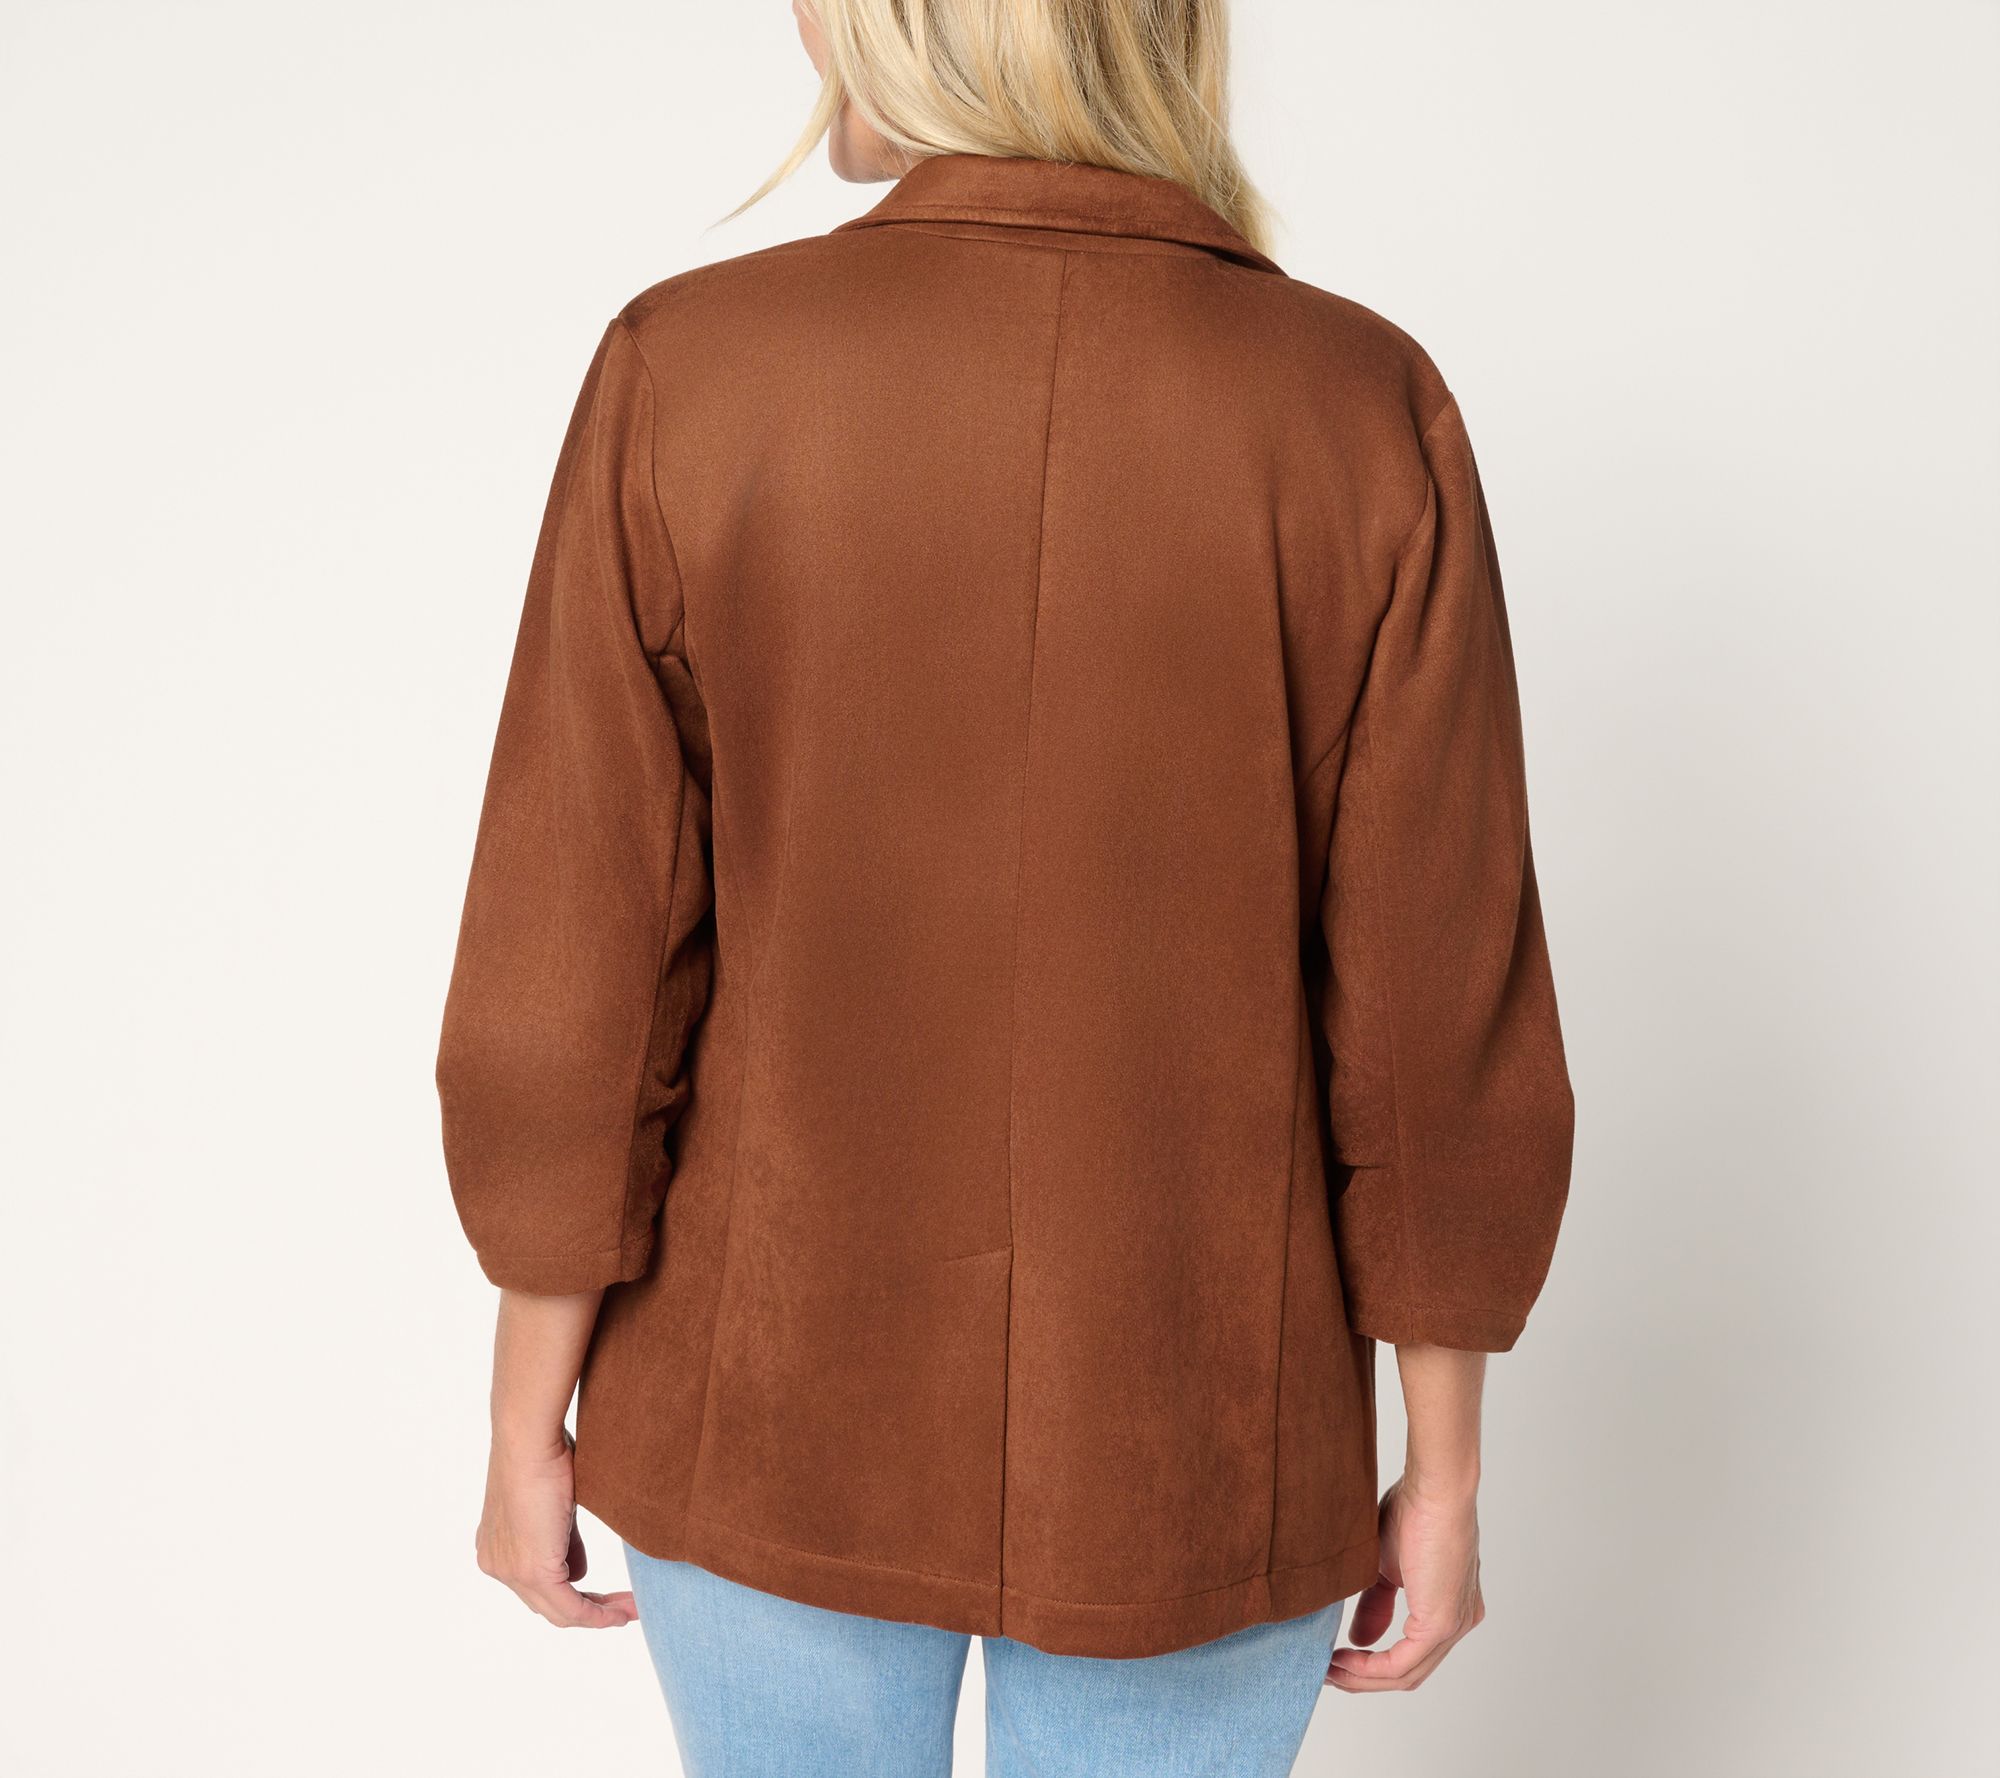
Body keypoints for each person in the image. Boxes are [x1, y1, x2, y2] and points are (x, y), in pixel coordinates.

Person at [436, 2, 1574, 1772]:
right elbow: (1438, 1021)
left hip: (768, 1411)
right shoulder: (1362, 406)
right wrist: (1446, 1464)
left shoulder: (690, 370)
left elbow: (573, 964)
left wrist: (527, 1410)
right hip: (1201, 1432)